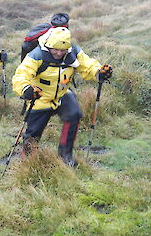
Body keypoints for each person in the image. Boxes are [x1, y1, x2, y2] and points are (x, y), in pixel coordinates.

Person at [12, 27, 113, 166]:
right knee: (33, 132)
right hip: (40, 96)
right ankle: (28, 161)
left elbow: (88, 65)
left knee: (74, 115)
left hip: (62, 94)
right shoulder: (36, 56)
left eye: (63, 50)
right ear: (48, 46)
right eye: (55, 49)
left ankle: (65, 155)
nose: (59, 53)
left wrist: (99, 72)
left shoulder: (74, 52)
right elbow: (21, 76)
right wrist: (26, 89)